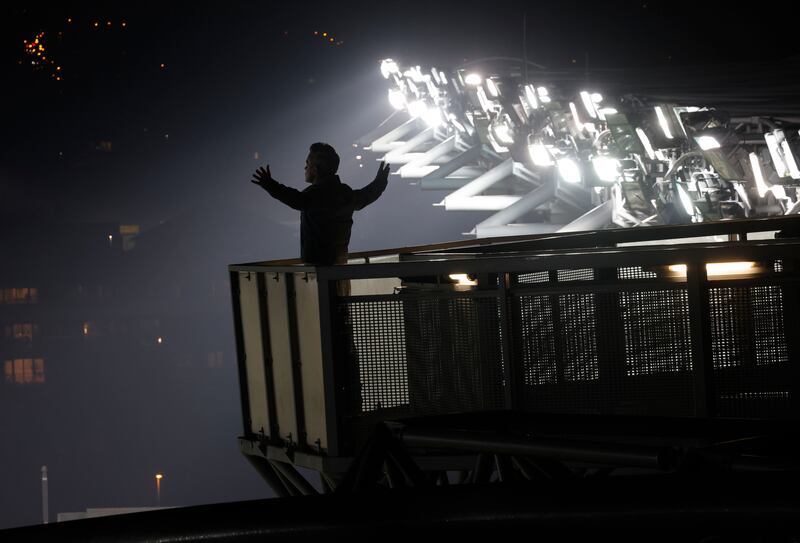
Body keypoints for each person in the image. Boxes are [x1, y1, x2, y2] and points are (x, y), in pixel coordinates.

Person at [251, 142, 390, 265]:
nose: (304, 168)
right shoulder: (345, 192)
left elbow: (294, 198)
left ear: (316, 170)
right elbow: (368, 195)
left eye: (307, 164)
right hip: (341, 264)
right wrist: (380, 182)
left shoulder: (316, 194)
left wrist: (270, 184)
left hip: (318, 269)